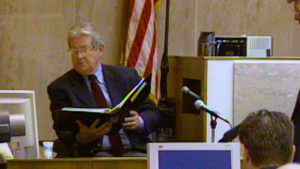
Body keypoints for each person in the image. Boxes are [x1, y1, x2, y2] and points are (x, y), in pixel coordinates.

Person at [47, 22, 161, 157]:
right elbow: (62, 130)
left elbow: (153, 112)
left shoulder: (126, 76)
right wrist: (81, 138)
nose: (79, 56)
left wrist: (140, 121)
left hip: (133, 149)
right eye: (74, 51)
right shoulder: (61, 87)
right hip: (94, 152)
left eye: (84, 49)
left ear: (100, 50)